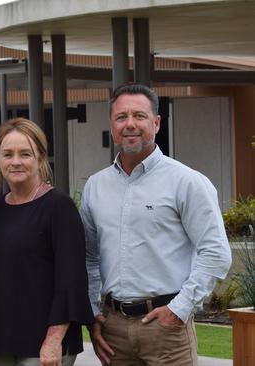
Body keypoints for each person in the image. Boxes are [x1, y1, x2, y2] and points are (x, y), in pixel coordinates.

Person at [80, 83, 232, 366]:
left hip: (166, 330)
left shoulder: (187, 182)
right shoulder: (95, 187)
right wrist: (93, 313)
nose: (130, 124)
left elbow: (215, 253)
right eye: (121, 117)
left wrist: (179, 309)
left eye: (139, 115)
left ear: (157, 122)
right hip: (113, 332)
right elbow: (90, 257)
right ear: (111, 125)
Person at [0, 118, 94, 366]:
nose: (16, 161)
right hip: (2, 342)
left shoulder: (58, 207)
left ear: (41, 158)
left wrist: (53, 341)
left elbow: (70, 281)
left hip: (42, 346)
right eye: (7, 154)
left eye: (25, 154)